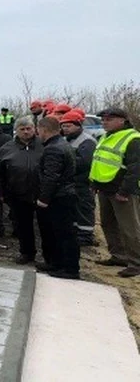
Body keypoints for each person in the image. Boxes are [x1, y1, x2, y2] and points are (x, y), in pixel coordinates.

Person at [89, 107, 140, 278]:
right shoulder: (106, 137)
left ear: (122, 120)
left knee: (129, 228)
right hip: (105, 188)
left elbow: (135, 169)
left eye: (108, 119)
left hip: (122, 191)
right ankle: (118, 256)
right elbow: (99, 162)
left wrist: (125, 191)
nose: (104, 122)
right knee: (108, 224)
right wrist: (95, 183)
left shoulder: (133, 139)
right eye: (103, 120)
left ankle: (136, 263)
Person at [0, 116, 44, 264]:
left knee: (46, 227)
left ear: (34, 129)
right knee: (23, 226)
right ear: (16, 131)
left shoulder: (44, 145)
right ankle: (26, 253)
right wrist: (1, 193)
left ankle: (50, 256)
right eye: (22, 129)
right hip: (18, 193)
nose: (26, 132)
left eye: (29, 129)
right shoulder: (7, 148)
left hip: (42, 194)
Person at [35, 116, 80, 279]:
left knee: (63, 233)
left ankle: (69, 269)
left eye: (38, 130)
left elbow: (51, 176)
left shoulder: (53, 148)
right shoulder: (62, 143)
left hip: (59, 197)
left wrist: (43, 199)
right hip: (64, 194)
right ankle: (56, 263)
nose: (37, 133)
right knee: (56, 232)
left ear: (44, 130)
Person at [60, 111, 98, 246]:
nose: (65, 129)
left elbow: (84, 162)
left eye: (68, 126)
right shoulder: (66, 140)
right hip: (71, 182)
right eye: (63, 126)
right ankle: (76, 232)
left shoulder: (87, 141)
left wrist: (63, 163)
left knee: (84, 208)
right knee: (74, 209)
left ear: (78, 125)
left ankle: (86, 236)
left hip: (83, 182)